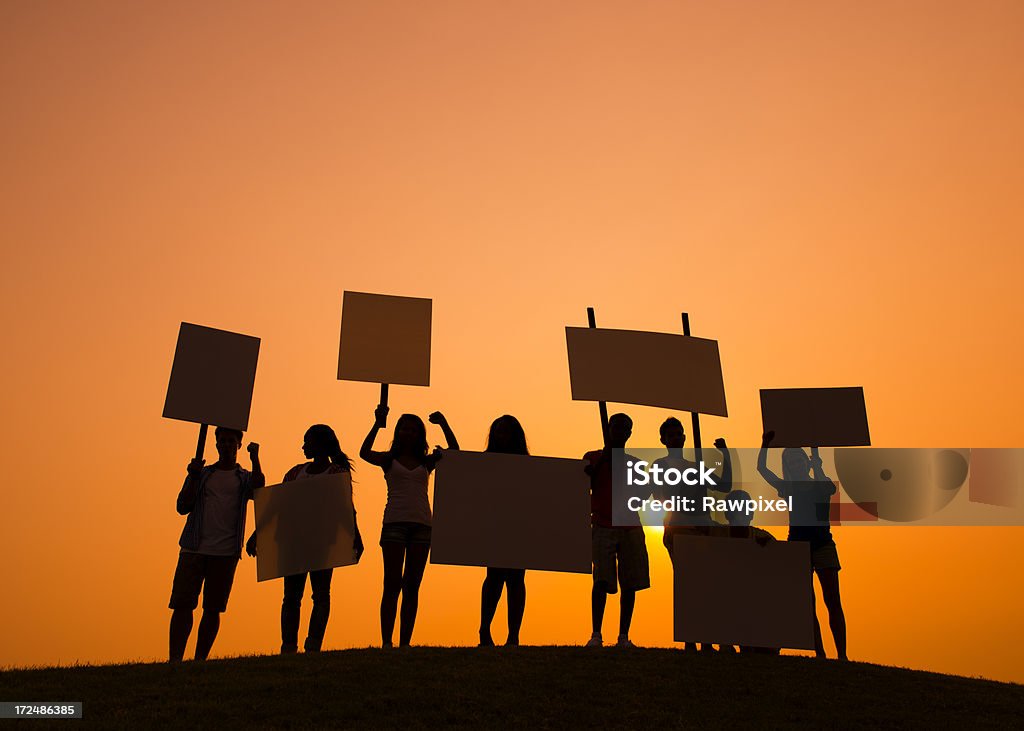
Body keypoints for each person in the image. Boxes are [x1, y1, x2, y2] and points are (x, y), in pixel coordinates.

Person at [245, 424, 363, 653]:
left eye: (307, 442)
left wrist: (355, 536)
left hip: (322, 542)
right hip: (292, 543)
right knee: (291, 596)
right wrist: (257, 533)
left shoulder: (337, 473)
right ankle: (288, 645)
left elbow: (345, 508)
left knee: (320, 594)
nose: (303, 446)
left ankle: (313, 645)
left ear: (319, 445)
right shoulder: (295, 472)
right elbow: (277, 506)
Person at [360, 406, 459, 647]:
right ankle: (386, 641)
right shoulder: (388, 459)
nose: (409, 433)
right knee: (392, 583)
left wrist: (444, 422)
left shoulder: (427, 462)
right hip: (394, 522)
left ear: (419, 435)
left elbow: (455, 452)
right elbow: (364, 453)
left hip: (422, 525)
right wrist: (377, 423)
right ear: (398, 432)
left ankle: (405, 642)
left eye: (414, 430)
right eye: (404, 428)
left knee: (412, 585)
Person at [169, 427, 264, 662]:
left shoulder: (243, 477)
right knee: (183, 604)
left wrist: (256, 458)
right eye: (222, 441)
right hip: (194, 547)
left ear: (238, 445)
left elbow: (259, 489)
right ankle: (175, 659)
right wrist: (192, 475)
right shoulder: (203, 474)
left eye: (231, 441)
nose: (226, 445)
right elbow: (183, 506)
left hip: (225, 551)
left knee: (213, 608)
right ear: (216, 444)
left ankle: (200, 659)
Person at [757, 431, 847, 660]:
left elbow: (823, 482)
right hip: (798, 546)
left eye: (799, 460)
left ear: (806, 462)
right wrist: (765, 444)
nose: (796, 464)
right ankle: (820, 652)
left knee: (832, 601)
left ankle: (842, 655)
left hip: (823, 544)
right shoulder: (788, 488)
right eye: (791, 461)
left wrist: (815, 452)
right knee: (808, 603)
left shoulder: (822, 483)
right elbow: (763, 470)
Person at [655, 417, 732, 652]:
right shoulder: (661, 465)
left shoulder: (695, 466)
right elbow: (660, 497)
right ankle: (690, 638)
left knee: (706, 584)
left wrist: (725, 455)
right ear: (664, 440)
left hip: (703, 528)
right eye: (672, 435)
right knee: (687, 584)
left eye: (679, 433)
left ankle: (707, 638)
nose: (677, 438)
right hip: (679, 529)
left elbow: (724, 485)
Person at [584, 412, 649, 648]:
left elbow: (643, 495)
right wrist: (604, 460)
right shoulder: (592, 458)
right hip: (602, 523)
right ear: (609, 429)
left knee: (629, 582)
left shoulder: (636, 464)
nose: (620, 432)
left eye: (625, 428)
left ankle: (623, 635)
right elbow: (585, 485)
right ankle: (596, 633)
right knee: (601, 579)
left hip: (629, 526)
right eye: (616, 427)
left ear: (630, 433)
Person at [478, 415, 530, 647]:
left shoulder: (528, 465)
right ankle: (484, 629)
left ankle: (513, 635)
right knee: (494, 577)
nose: (503, 436)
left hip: (519, 526)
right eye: (499, 431)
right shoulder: (486, 462)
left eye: (507, 431)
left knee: (516, 578)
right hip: (494, 525)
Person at [710, 489, 780, 655]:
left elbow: (779, 562)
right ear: (728, 513)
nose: (741, 513)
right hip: (726, 601)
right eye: (736, 509)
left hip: (755, 603)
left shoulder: (762, 536)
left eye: (745, 508)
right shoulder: (717, 534)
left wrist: (768, 547)